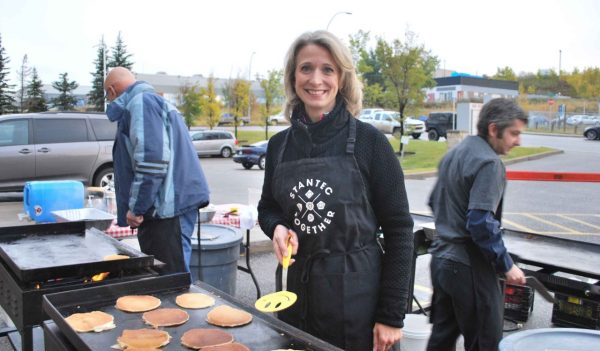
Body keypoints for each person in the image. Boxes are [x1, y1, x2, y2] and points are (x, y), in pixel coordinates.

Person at [257, 30, 414, 351]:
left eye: (327, 69)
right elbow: (267, 207)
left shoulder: (370, 143)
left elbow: (400, 230)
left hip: (359, 301)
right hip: (297, 297)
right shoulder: (278, 146)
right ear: (293, 76)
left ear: (342, 78)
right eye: (306, 68)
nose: (316, 79)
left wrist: (391, 316)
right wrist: (277, 227)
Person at [426, 98, 528, 351]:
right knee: (485, 343)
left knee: (441, 337)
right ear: (494, 129)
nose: (518, 141)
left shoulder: (454, 154)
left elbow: (432, 201)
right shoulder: (489, 163)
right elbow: (480, 222)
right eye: (514, 133)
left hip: (441, 260)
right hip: (468, 266)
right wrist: (506, 265)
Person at [104, 67, 209, 274]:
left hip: (166, 211)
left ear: (112, 91)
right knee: (171, 279)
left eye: (107, 96)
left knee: (170, 284)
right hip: (170, 207)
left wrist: (137, 208)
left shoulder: (141, 102)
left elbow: (152, 160)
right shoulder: (152, 101)